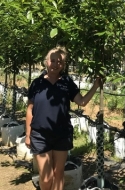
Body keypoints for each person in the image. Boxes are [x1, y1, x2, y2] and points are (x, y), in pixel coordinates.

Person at [25, 46, 102, 190]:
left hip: (62, 134)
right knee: (46, 177)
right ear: (46, 62)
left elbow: (82, 101)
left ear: (63, 65)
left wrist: (95, 86)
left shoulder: (67, 83)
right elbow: (30, 110)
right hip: (40, 135)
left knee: (59, 173)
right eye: (52, 60)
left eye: (59, 62)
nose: (55, 64)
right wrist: (28, 134)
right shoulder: (37, 84)